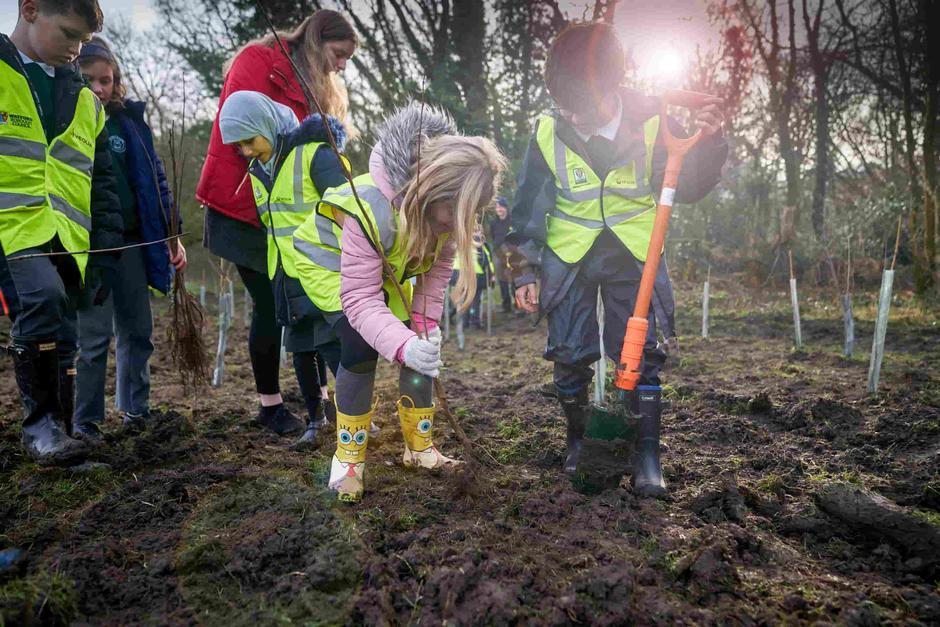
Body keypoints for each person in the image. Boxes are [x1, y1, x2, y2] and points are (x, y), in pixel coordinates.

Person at [508, 22, 727, 497]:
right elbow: (527, 206)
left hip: (635, 253)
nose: (572, 116)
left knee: (643, 356)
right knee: (568, 353)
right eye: (564, 106)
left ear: (611, 88)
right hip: (571, 256)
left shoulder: (655, 120)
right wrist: (527, 267)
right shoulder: (547, 130)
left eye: (580, 108)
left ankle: (646, 453)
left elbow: (686, 186)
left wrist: (710, 142)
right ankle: (578, 440)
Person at [291, 102, 507, 502]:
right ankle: (349, 460)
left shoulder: (443, 216)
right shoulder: (369, 208)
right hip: (327, 262)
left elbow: (433, 279)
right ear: (431, 192)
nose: (455, 226)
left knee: (417, 343)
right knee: (359, 343)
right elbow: (358, 298)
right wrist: (402, 344)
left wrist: (424, 330)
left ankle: (419, 449)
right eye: (453, 216)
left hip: (386, 265)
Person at [196, 10, 357, 436]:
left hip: (284, 218)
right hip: (242, 209)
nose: (341, 66)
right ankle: (271, 406)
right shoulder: (259, 62)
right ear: (319, 39)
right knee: (273, 305)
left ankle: (321, 403)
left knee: (305, 307)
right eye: (339, 54)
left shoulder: (314, 80)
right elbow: (243, 134)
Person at [1, 0, 123, 465]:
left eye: (82, 42)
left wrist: (105, 254)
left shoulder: (86, 102)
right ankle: (40, 427)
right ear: (30, 9)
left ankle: (65, 433)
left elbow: (103, 183)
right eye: (68, 34)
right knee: (43, 300)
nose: (75, 50)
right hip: (13, 228)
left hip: (69, 239)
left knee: (67, 329)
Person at [72, 36, 187, 440]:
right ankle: (85, 421)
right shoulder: (67, 120)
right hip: (91, 248)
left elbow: (156, 182)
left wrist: (173, 236)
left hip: (136, 244)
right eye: (89, 80)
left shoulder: (130, 123)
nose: (99, 89)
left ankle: (135, 412)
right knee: (93, 338)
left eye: (106, 80)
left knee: (137, 331)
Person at [218, 90, 346, 445]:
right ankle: (315, 421)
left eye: (249, 140)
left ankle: (357, 417)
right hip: (287, 276)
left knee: (336, 347)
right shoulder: (259, 170)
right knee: (301, 350)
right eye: (238, 146)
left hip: (325, 271)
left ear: (267, 126)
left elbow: (349, 207)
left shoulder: (314, 156)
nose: (245, 151)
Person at [487, 196, 514, 313]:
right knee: (502, 280)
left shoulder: (513, 221)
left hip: (513, 253)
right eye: (497, 207)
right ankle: (506, 306)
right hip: (499, 254)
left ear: (506, 208)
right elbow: (493, 237)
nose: (499, 209)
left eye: (501, 207)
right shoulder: (493, 223)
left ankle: (519, 303)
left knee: (515, 279)